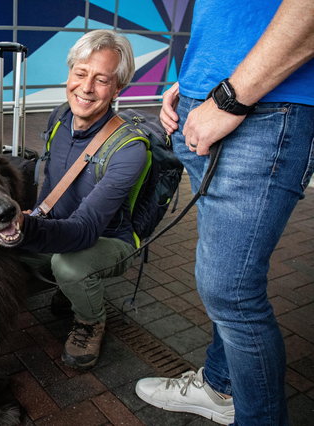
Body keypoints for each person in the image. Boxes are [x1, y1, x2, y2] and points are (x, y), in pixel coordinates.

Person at [135, 0, 314, 425]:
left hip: (263, 109)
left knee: (230, 291)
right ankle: (221, 387)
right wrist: (192, 84)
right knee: (224, 280)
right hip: (216, 107)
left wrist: (230, 98)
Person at [16, 30, 146, 370]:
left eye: (102, 80)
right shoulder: (59, 116)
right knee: (5, 248)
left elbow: (87, 229)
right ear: (69, 74)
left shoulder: (129, 149)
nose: (86, 88)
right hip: (62, 228)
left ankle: (90, 322)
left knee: (68, 266)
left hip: (109, 240)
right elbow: (51, 182)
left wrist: (25, 227)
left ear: (118, 89)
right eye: (80, 73)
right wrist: (34, 218)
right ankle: (71, 289)